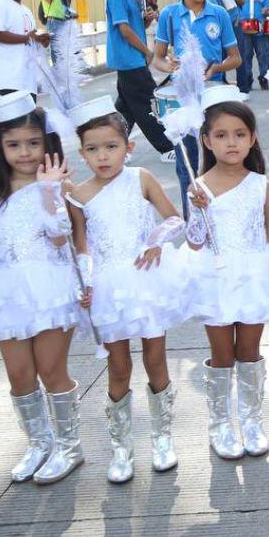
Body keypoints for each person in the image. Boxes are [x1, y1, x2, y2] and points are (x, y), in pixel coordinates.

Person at [64, 97, 188, 482]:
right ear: (82, 152)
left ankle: (163, 437)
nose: (103, 156)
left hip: (146, 277)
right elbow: (81, 245)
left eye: (111, 146)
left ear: (128, 147)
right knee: (118, 367)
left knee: (155, 357)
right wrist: (84, 283)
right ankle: (121, 446)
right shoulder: (78, 195)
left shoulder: (141, 179)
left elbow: (174, 218)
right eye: (93, 149)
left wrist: (156, 239)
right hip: (108, 286)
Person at [0, 95, 85, 484]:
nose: (25, 152)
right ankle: (38, 442)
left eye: (33, 143)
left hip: (50, 287)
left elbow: (59, 239)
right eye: (14, 144)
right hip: (6, 292)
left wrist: (51, 192)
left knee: (50, 369)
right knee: (19, 374)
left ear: (47, 144)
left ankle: (69, 445)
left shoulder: (59, 185)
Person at [184, 88, 269, 459]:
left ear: (253, 139)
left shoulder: (262, 184)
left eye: (240, 134)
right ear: (207, 140)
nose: (232, 142)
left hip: (253, 274)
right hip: (216, 278)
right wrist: (198, 211)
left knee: (249, 350)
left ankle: (251, 420)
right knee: (222, 353)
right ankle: (220, 424)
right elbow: (195, 242)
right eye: (222, 135)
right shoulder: (199, 187)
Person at [152, 0, 241, 217]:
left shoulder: (219, 14)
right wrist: (169, 67)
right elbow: (156, 58)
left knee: (217, 155)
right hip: (182, 95)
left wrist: (217, 68)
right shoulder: (169, 15)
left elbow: (235, 57)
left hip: (213, 91)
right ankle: (193, 219)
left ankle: (220, 214)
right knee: (186, 161)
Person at [102, 0, 173, 164]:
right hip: (129, 60)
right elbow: (124, 31)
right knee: (148, 104)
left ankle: (113, 147)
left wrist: (146, 21)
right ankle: (166, 148)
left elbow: (134, 28)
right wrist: (147, 51)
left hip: (133, 59)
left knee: (126, 110)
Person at [237, 0, 268, 98]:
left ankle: (263, 77)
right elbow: (237, 8)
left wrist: (266, 10)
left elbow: (268, 7)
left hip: (259, 28)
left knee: (262, 55)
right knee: (246, 55)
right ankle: (248, 78)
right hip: (245, 28)